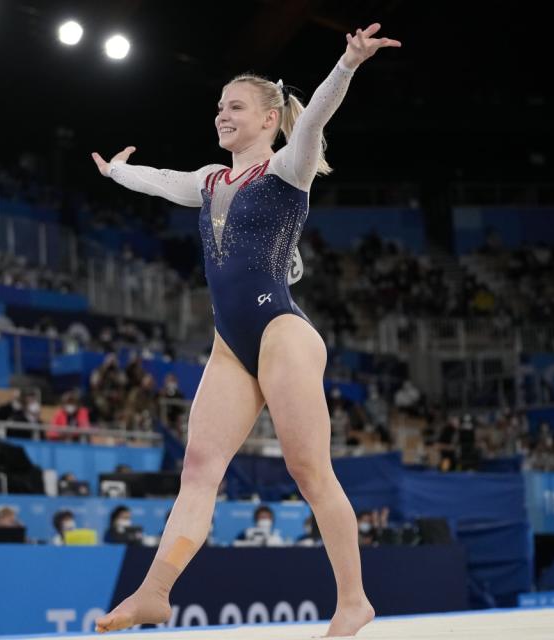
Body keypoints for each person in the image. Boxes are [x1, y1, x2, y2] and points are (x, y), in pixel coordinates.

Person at [90, 23, 399, 636]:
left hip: (283, 330)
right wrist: (118, 175)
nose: (221, 115)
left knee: (309, 472)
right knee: (198, 469)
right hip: (231, 344)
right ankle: (154, 592)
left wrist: (347, 64)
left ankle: (353, 600)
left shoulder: (288, 168)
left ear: (268, 118)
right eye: (218, 107)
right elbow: (165, 180)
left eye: (235, 107)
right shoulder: (211, 180)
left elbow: (314, 122)